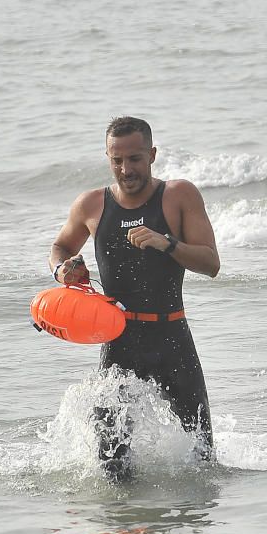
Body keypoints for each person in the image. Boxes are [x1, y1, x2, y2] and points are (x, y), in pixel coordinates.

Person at [49, 116, 220, 479]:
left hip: (172, 340)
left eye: (135, 159)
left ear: (152, 154)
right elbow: (61, 246)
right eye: (116, 160)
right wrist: (63, 270)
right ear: (108, 158)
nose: (126, 169)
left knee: (203, 458)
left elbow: (211, 263)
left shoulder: (178, 196)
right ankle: (124, 528)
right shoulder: (91, 205)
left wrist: (167, 243)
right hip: (119, 344)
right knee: (112, 466)